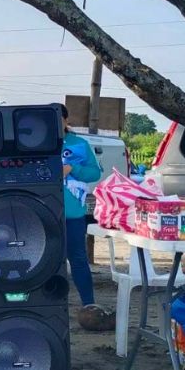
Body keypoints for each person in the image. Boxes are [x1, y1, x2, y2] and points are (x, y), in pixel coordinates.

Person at [59, 104, 115, 331]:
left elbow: (95, 172)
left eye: (57, 118)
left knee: (78, 259)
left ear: (65, 119)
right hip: (42, 211)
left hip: (72, 212)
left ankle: (89, 305)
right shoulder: (33, 143)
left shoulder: (78, 144)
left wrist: (72, 169)